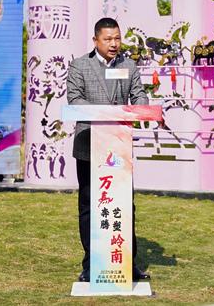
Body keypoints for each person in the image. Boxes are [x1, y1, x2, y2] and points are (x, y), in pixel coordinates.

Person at [66, 17, 151, 283]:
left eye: (117, 38)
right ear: (96, 40)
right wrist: (107, 113)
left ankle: (127, 263)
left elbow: (139, 95)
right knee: (90, 206)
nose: (114, 44)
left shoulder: (129, 65)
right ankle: (91, 264)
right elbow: (74, 99)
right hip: (89, 145)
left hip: (119, 147)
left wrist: (141, 105)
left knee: (124, 205)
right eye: (108, 39)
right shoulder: (80, 65)